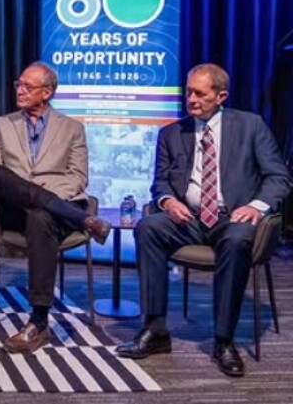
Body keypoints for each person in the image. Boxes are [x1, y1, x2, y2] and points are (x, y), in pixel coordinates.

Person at [116, 63, 291, 377]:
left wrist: (256, 206)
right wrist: (168, 201)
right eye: (188, 91)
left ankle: (224, 340)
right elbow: (160, 183)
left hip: (232, 217)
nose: (191, 99)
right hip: (189, 219)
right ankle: (155, 330)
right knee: (148, 228)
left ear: (221, 96)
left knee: (237, 240)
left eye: (200, 93)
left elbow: (278, 177)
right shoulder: (171, 133)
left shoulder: (250, 126)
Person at [0, 62, 110, 354]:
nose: (20, 90)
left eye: (28, 86)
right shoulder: (2, 124)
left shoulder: (73, 128)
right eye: (19, 84)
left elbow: (78, 177)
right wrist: (33, 194)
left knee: (41, 217)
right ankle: (85, 220)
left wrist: (43, 197)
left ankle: (38, 323)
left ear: (48, 92)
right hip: (15, 209)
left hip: (54, 211)